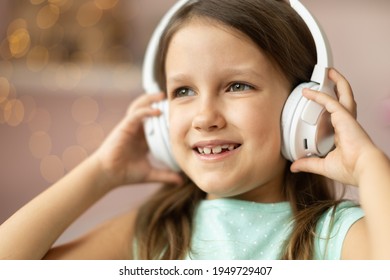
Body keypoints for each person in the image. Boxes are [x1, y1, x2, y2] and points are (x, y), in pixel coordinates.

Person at [1, 0, 390, 260]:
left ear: (303, 107)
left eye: (237, 86)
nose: (205, 117)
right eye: (183, 91)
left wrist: (369, 166)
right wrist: (101, 172)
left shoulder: (332, 235)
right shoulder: (157, 232)